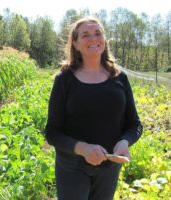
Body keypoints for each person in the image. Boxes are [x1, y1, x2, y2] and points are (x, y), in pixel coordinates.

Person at [44, 16, 143, 200]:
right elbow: (52, 133)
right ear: (75, 44)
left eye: (98, 33)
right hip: (72, 168)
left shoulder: (119, 78)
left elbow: (134, 124)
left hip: (109, 168)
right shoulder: (64, 80)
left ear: (104, 40)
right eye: (85, 35)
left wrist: (124, 142)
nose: (93, 39)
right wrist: (82, 149)